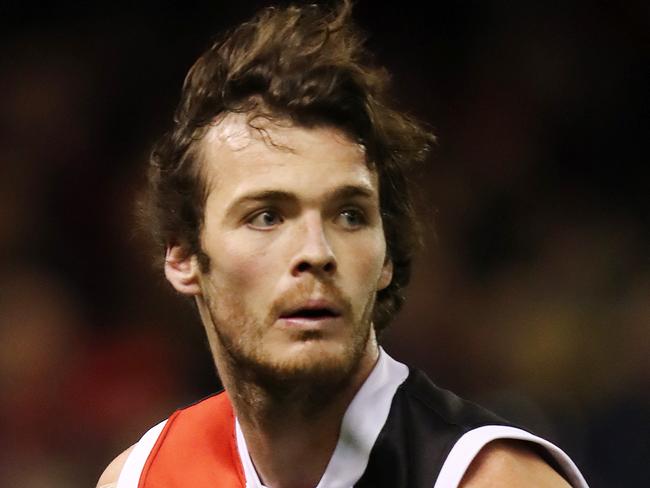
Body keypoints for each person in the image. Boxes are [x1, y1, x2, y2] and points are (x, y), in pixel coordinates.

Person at [97, 1, 588, 487]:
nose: (317, 251)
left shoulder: (490, 479)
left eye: (349, 216)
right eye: (267, 216)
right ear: (183, 257)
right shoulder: (141, 478)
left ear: (386, 260)